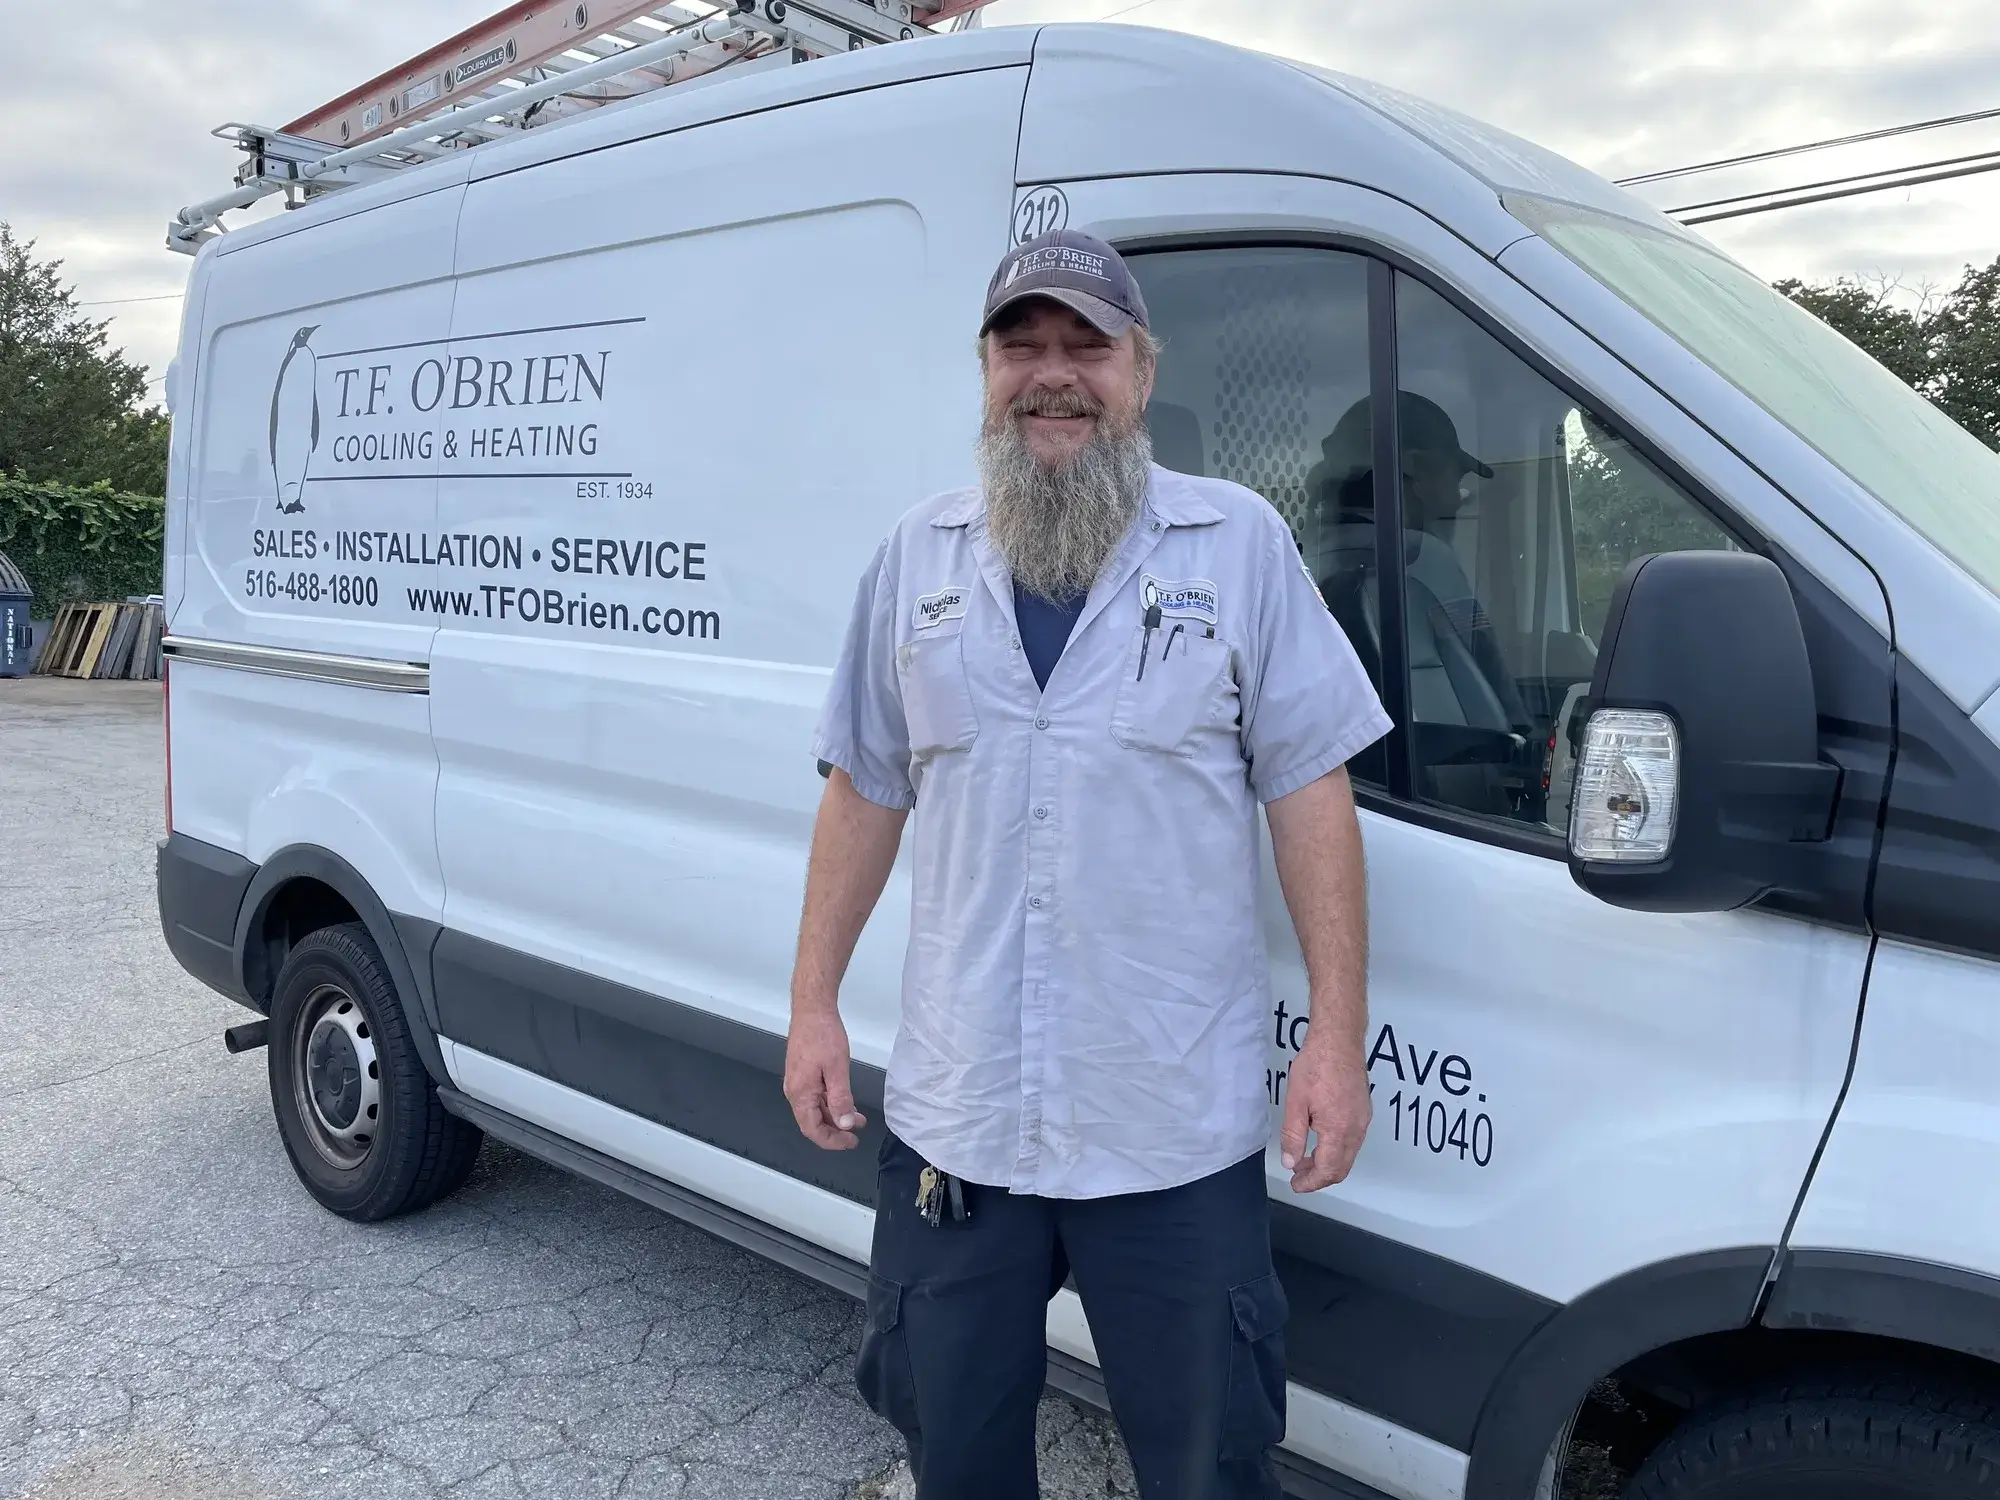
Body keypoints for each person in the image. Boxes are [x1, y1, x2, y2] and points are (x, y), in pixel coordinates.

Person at [784, 229, 1391, 1500]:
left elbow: (1309, 791)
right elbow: (863, 789)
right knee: (955, 1456)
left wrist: (1335, 1037)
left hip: (1167, 1123)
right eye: (1023, 347)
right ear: (986, 372)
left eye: (1085, 347)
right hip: (961, 1121)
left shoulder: (1235, 547)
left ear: (1141, 372)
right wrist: (812, 1005)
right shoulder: (917, 556)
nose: (1052, 375)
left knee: (1208, 1467)